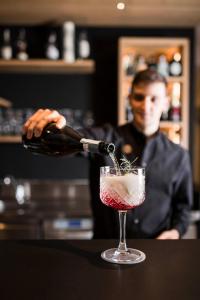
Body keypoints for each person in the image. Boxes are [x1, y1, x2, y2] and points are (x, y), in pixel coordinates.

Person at [23, 68, 193, 239]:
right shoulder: (105, 138)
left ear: (166, 103)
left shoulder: (179, 156)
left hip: (155, 249)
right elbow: (74, 141)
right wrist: (52, 127)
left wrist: (176, 231)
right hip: (105, 248)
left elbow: (183, 207)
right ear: (129, 100)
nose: (146, 106)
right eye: (139, 97)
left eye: (154, 99)